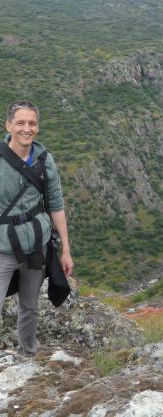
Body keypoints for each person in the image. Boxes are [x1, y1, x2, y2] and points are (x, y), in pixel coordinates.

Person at [0, 101, 73, 356]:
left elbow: (56, 205)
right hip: (3, 247)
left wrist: (65, 250)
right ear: (8, 125)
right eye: (20, 122)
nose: (26, 128)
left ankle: (27, 355)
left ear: (37, 127)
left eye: (31, 123)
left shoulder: (44, 160)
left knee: (30, 306)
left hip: (36, 247)